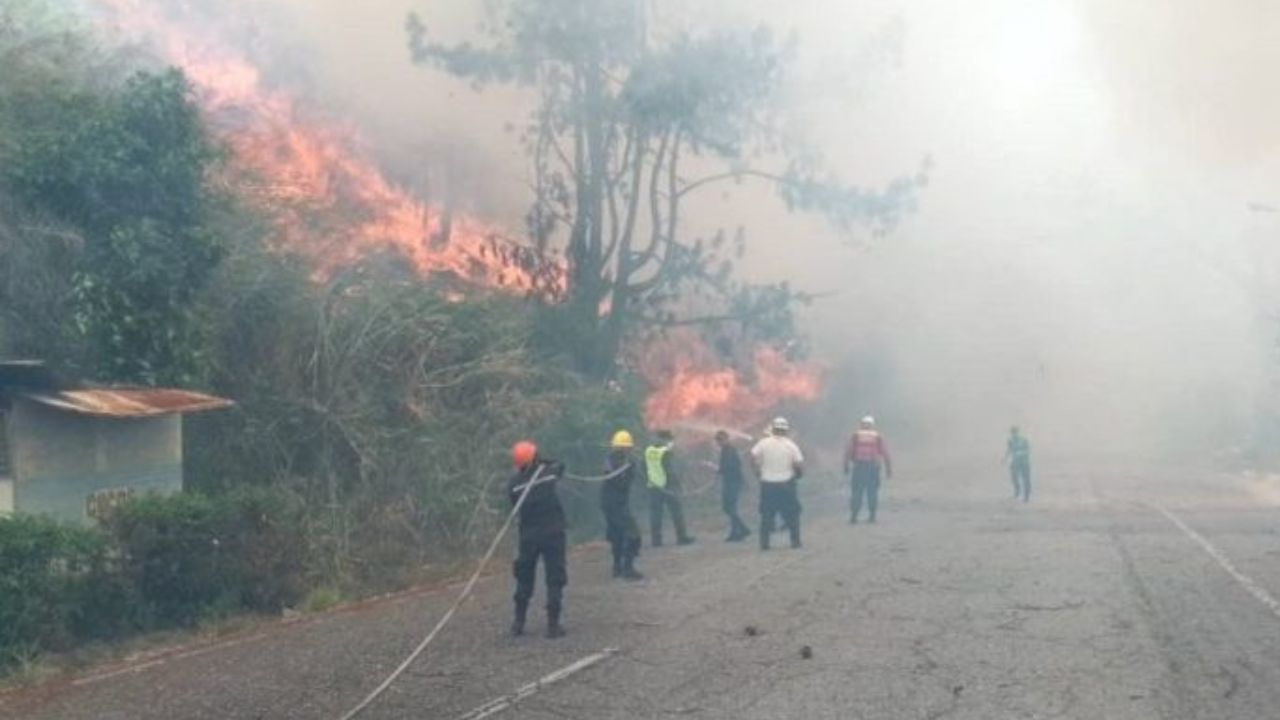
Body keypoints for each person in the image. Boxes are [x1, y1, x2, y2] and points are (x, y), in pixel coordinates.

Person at [507, 441, 568, 638]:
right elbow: (561, 466)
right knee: (555, 577)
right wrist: (543, 462)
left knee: (524, 576)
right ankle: (553, 625)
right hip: (553, 533)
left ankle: (518, 622)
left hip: (528, 536)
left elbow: (514, 503)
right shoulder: (549, 473)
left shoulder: (514, 484)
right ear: (535, 457)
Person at [750, 417, 804, 550]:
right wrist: (798, 475)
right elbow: (798, 464)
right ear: (786, 430)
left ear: (773, 428)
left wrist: (757, 471)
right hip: (786, 485)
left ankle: (764, 543)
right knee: (792, 514)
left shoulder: (763, 443)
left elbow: (752, 456)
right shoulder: (791, 445)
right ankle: (795, 542)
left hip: (767, 485)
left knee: (766, 514)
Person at [603, 430, 644, 580]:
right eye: (628, 447)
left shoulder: (615, 459)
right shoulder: (617, 462)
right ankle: (628, 569)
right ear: (623, 447)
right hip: (615, 505)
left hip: (611, 503)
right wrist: (631, 469)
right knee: (633, 535)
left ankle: (617, 568)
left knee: (617, 535)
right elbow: (621, 484)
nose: (630, 449)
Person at [644, 430, 695, 547]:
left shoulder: (648, 451)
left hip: (653, 486)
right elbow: (670, 471)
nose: (671, 442)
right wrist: (678, 486)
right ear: (664, 439)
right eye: (669, 440)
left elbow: (644, 467)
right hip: (667, 486)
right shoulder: (665, 452)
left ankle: (656, 541)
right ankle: (682, 537)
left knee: (656, 514)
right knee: (677, 512)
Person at [845, 416, 893, 524]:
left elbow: (848, 451)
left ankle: (854, 516)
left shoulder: (856, 435)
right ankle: (872, 516)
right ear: (872, 426)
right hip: (873, 468)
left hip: (859, 467)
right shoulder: (877, 436)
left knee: (857, 492)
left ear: (861, 425)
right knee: (872, 492)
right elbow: (885, 453)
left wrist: (846, 466)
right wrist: (888, 468)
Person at [715, 430, 751, 542]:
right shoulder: (726, 450)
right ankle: (742, 529)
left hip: (733, 482)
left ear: (726, 439)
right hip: (731, 482)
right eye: (717, 440)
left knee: (729, 507)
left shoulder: (729, 450)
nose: (718, 442)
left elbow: (728, 467)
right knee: (728, 507)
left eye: (720, 440)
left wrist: (718, 469)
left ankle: (737, 532)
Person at [1005, 425, 1032, 502]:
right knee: (1014, 478)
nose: (1014, 434)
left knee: (1026, 479)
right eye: (1013, 433)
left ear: (1018, 432)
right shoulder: (1010, 440)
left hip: (1024, 462)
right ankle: (1017, 491)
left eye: (1015, 432)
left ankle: (1026, 496)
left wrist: (1020, 453)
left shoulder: (1024, 440)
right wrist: (1005, 459)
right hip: (1015, 462)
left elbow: (1028, 450)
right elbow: (1009, 450)